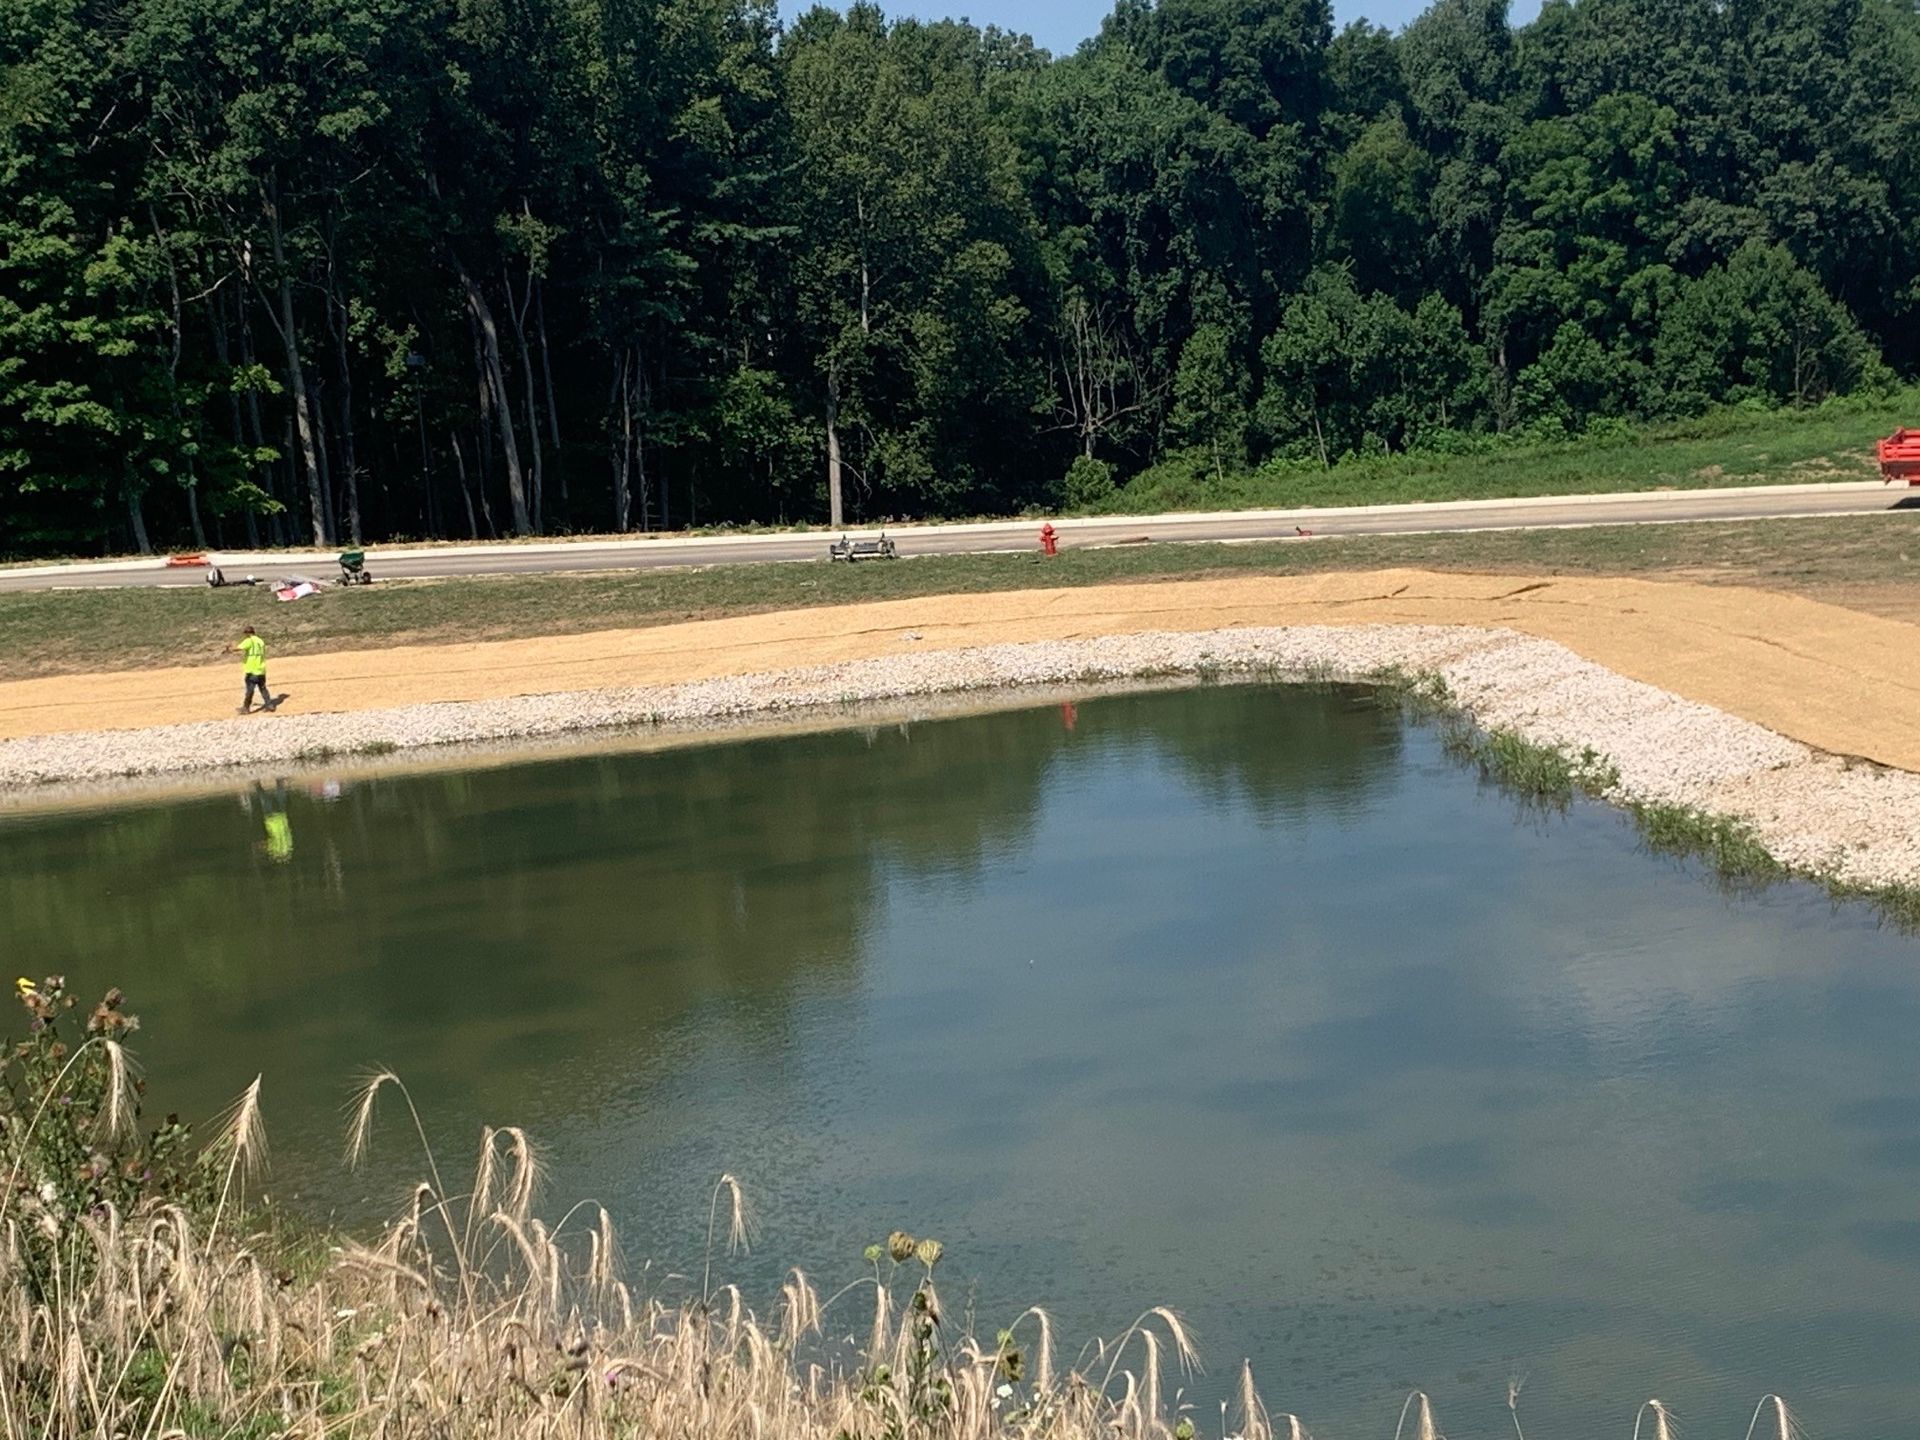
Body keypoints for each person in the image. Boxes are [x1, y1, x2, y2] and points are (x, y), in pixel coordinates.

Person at [233, 625, 275, 714]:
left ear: (247, 633)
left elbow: (239, 648)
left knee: (249, 690)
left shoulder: (249, 640)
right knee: (263, 688)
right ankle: (269, 705)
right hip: (261, 669)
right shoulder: (260, 641)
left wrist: (229, 649)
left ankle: (246, 708)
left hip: (252, 670)